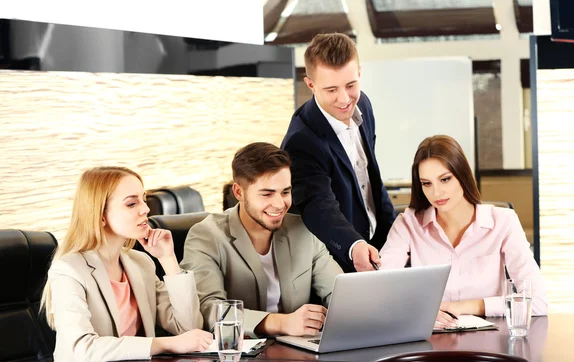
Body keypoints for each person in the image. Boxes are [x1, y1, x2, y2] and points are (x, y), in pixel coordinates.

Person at [32, 167, 212, 362]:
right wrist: (166, 344)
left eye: (144, 200)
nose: (145, 209)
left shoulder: (140, 263)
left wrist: (168, 259)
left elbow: (188, 329)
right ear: (101, 215)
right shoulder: (69, 269)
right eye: (131, 203)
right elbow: (84, 349)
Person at [379, 135, 548, 326]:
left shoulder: (503, 222)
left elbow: (537, 302)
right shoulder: (407, 224)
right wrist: (418, 310)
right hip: (429, 342)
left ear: (462, 174)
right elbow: (380, 292)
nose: (436, 193)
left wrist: (463, 307)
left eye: (445, 179)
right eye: (427, 183)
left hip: (489, 343)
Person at [180, 142, 343, 337]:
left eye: (285, 192)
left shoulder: (302, 230)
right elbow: (210, 310)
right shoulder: (206, 236)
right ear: (239, 192)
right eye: (267, 194)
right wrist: (283, 323)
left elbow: (340, 292)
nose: (279, 204)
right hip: (240, 358)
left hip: (300, 352)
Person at [281, 33, 395, 274]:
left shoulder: (362, 103)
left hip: (380, 247)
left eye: (351, 85)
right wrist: (353, 246)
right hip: (338, 262)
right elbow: (318, 206)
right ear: (310, 84)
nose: (344, 99)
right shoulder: (301, 140)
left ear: (359, 73)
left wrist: (395, 233)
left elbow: (371, 177)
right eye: (331, 89)